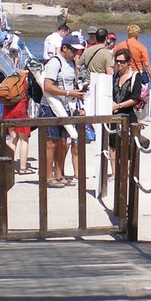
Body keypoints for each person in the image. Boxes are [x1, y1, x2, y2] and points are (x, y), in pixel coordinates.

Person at [40, 35, 87, 188]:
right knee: (51, 142)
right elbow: (47, 86)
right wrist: (69, 93)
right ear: (64, 48)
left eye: (77, 51)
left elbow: (70, 84)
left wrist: (77, 94)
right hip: (50, 106)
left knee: (62, 142)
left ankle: (59, 174)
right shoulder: (55, 62)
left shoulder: (72, 63)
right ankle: (48, 177)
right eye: (74, 50)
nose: (76, 54)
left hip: (66, 107)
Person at [110, 47, 143, 175]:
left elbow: (135, 98)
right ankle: (114, 173)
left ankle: (125, 171)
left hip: (128, 114)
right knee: (113, 143)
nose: (119, 64)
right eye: (117, 61)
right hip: (113, 115)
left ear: (128, 62)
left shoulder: (135, 76)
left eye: (122, 62)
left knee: (128, 144)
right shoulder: (115, 76)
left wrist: (118, 105)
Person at [114, 24, 151, 89]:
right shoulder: (141, 47)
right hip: (137, 74)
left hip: (122, 74)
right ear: (137, 34)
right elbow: (147, 65)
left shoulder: (119, 45)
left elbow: (115, 61)